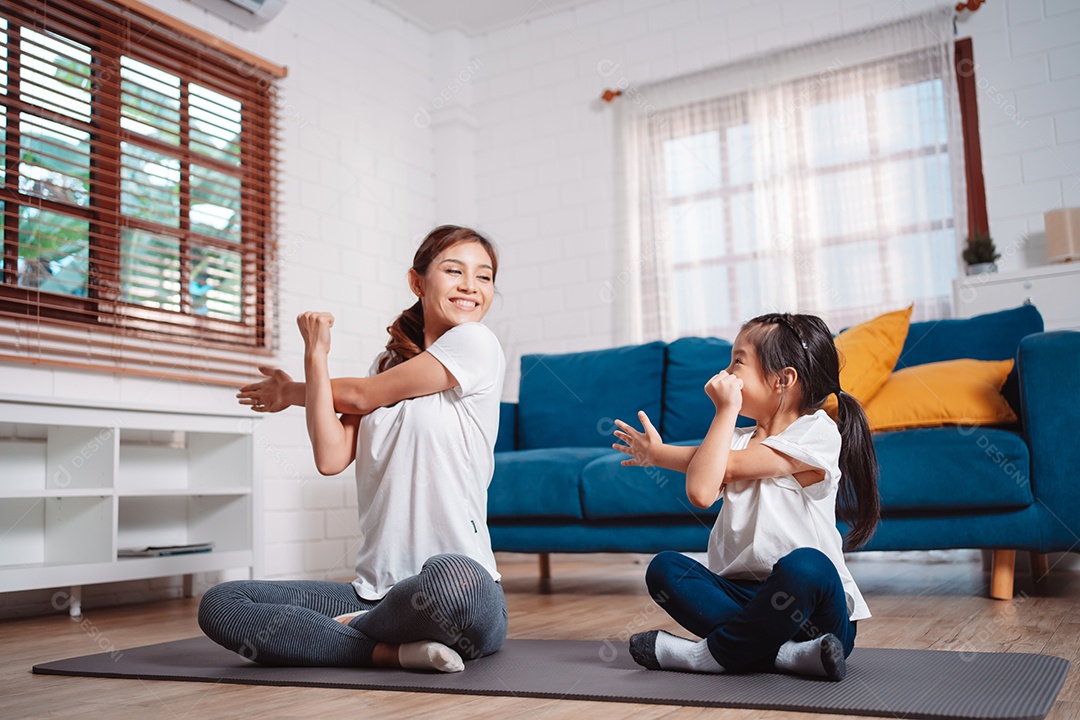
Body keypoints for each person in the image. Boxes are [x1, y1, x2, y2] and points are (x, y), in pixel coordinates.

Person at [198, 225, 508, 673]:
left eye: (484, 276)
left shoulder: (477, 343)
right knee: (223, 602)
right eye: (454, 270)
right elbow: (330, 457)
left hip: (464, 596)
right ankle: (390, 650)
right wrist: (316, 356)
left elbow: (361, 396)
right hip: (374, 590)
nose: (470, 286)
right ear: (417, 282)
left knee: (451, 578)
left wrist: (291, 393)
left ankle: (352, 630)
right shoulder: (385, 366)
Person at [612, 313, 879, 681]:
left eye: (737, 361)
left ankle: (703, 656)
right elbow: (702, 490)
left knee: (806, 566)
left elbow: (728, 468)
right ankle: (784, 656)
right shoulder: (733, 438)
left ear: (783, 380)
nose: (726, 372)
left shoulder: (817, 432)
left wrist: (723, 411)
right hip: (744, 598)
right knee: (665, 569)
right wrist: (663, 452)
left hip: (814, 616)